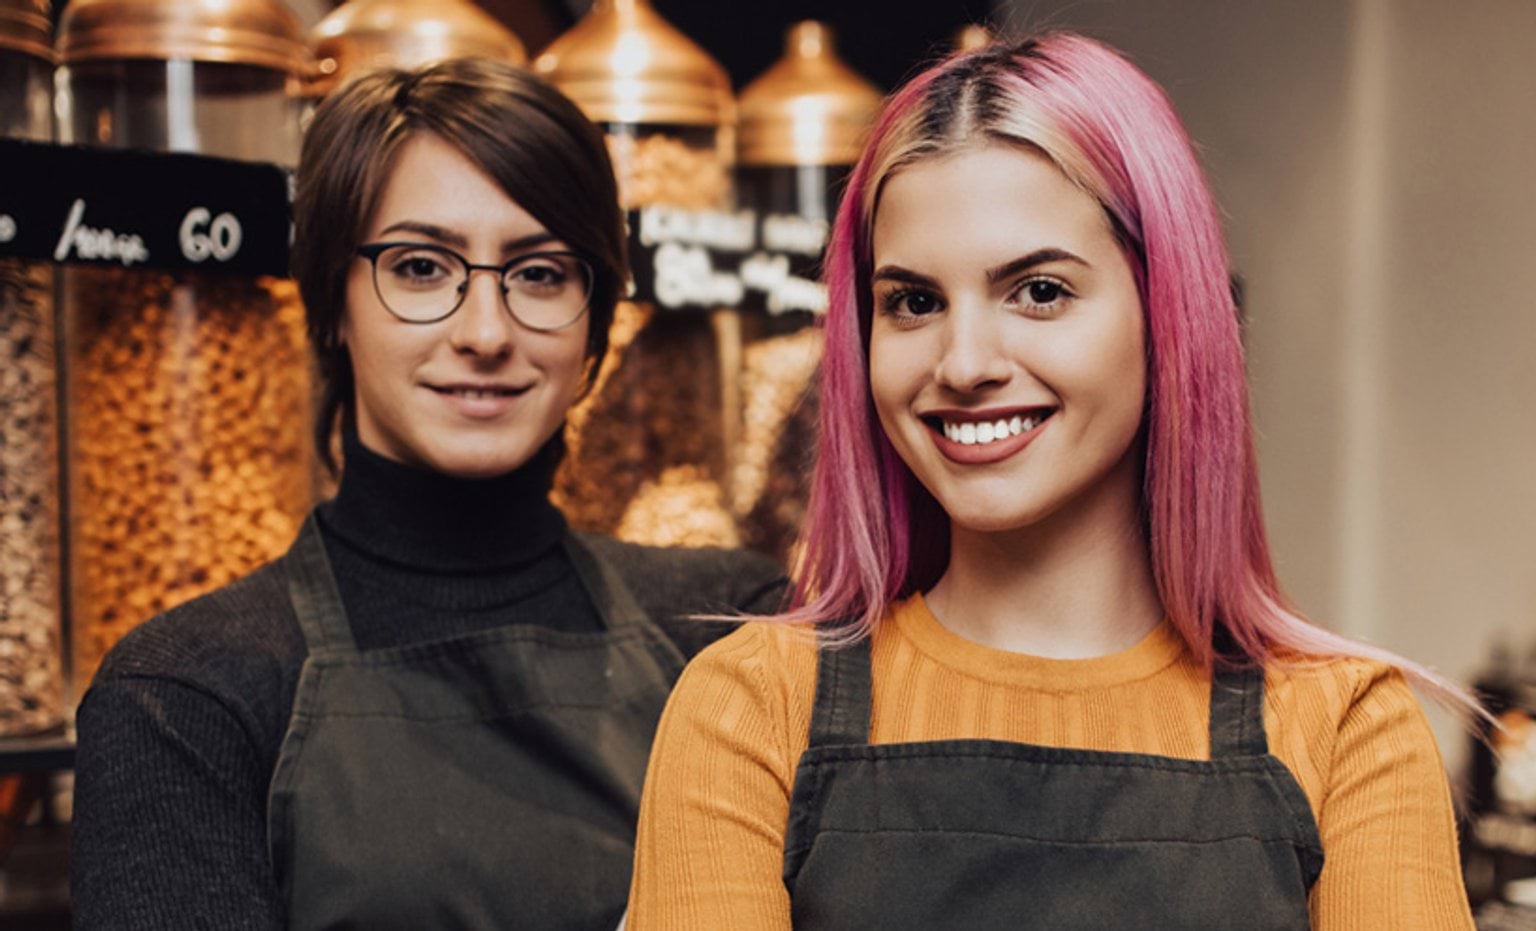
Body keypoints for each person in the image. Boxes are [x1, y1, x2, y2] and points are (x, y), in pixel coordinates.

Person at [627, 34, 1476, 930]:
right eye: (913, 302)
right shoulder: (753, 709)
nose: (963, 362)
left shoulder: (1346, 732)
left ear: (1167, 314)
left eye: (1038, 290)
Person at [71, 58, 784, 931]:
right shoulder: (188, 695)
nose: (484, 331)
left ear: (597, 322)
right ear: (331, 301)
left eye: (541, 273)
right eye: (419, 267)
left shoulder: (732, 629)